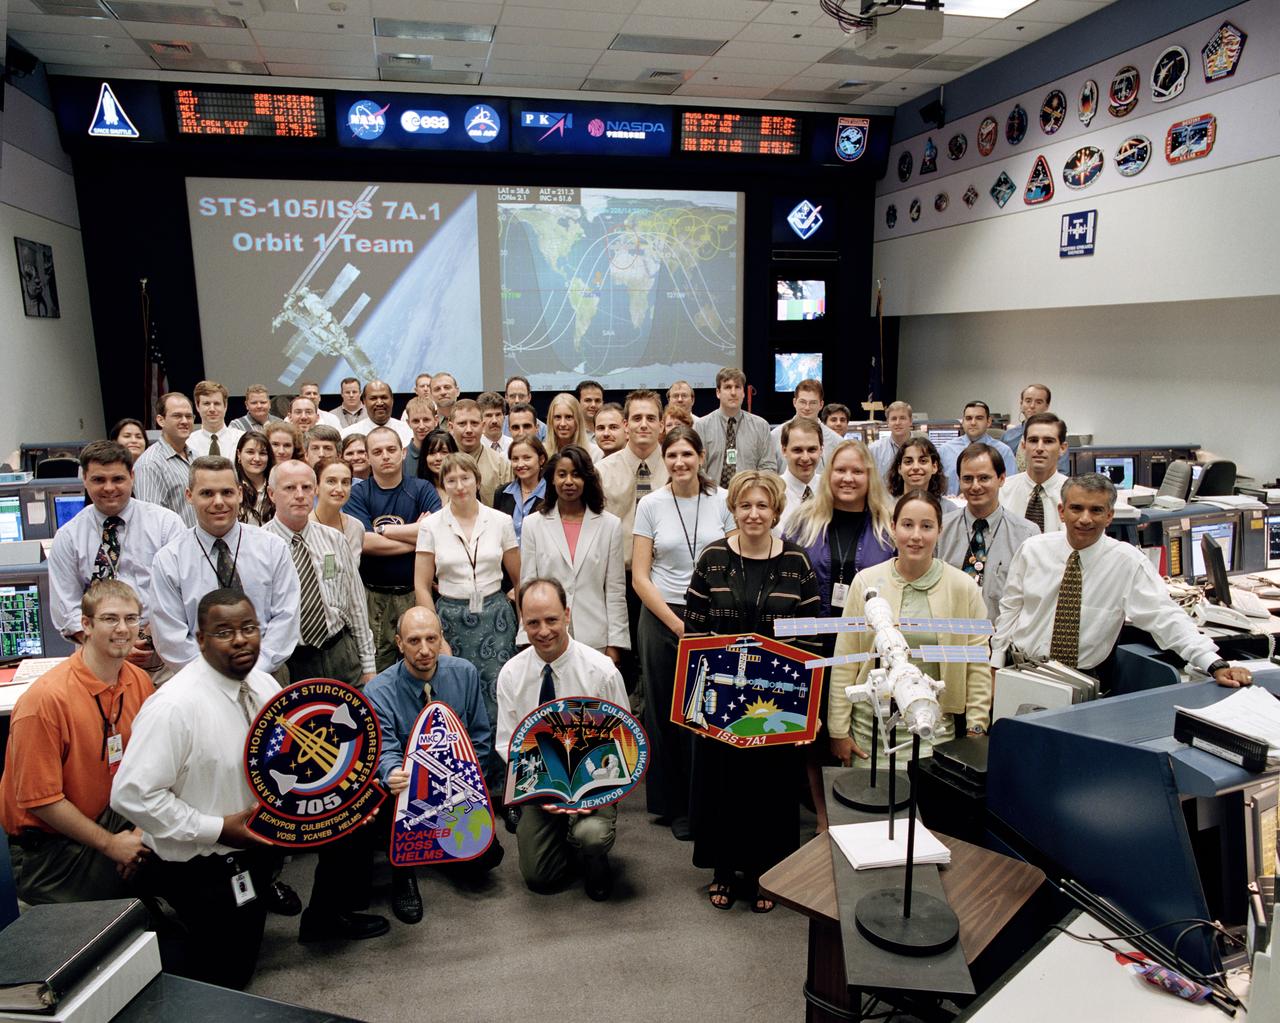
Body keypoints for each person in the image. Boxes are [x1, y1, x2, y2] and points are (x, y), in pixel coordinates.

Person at [112, 591, 388, 990]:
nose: (240, 640)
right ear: (200, 639)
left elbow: (290, 763)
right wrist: (216, 828)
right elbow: (130, 795)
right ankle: (161, 918)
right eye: (224, 632)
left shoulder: (262, 685)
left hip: (259, 837)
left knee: (357, 822)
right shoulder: (174, 707)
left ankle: (325, 918)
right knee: (226, 977)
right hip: (202, 860)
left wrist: (348, 802)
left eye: (248, 628)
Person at [683, 471, 821, 912]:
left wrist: (807, 708)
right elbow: (694, 632)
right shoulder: (713, 558)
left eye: (762, 506)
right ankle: (724, 870)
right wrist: (695, 703)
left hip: (777, 698)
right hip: (721, 696)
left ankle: (767, 874)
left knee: (770, 788)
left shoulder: (797, 563)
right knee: (723, 784)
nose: (753, 513)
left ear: (776, 511)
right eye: (745, 505)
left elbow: (811, 641)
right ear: (734, 509)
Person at [992, 474, 1253, 687]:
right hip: (1022, 669)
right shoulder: (1032, 549)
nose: (1085, 518)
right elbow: (1010, 610)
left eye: (1096, 510)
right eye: (1076, 508)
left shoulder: (1127, 562)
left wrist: (1213, 662)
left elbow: (1165, 616)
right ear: (1062, 511)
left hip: (1082, 679)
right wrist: (994, 663)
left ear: (1109, 515)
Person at [2, 580, 155, 904]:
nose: (123, 629)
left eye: (131, 619)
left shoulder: (138, 681)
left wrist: (140, 835)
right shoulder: (44, 701)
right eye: (110, 619)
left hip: (117, 821)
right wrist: (112, 845)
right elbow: (41, 802)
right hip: (52, 849)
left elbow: (155, 765)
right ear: (85, 625)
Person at [829, 489, 992, 760]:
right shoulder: (866, 582)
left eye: (926, 526)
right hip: (870, 730)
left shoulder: (963, 588)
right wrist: (838, 731)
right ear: (893, 528)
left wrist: (976, 729)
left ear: (940, 530)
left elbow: (977, 667)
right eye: (907, 525)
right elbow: (845, 661)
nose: (916, 536)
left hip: (935, 730)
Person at [365, 606, 503, 924]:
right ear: (399, 643)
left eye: (431, 639)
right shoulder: (378, 691)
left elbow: (480, 735)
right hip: (406, 792)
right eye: (414, 641)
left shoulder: (464, 673)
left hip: (455, 785)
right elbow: (384, 749)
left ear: (442, 638)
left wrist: (470, 781)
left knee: (488, 858)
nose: (425, 650)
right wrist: (391, 773)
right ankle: (403, 873)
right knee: (385, 788)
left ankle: (437, 847)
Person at [495, 579, 629, 900]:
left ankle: (593, 854)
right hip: (540, 783)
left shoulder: (601, 671)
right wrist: (544, 790)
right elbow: (507, 744)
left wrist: (587, 792)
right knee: (539, 879)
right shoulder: (512, 674)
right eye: (533, 622)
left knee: (592, 835)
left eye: (552, 620)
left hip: (594, 781)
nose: (543, 631)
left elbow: (625, 742)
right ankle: (566, 842)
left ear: (567, 614)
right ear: (522, 623)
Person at [630, 427, 734, 838]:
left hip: (710, 615)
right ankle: (671, 803)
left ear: (701, 455)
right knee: (663, 711)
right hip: (661, 615)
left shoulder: (723, 500)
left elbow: (731, 561)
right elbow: (640, 576)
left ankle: (702, 800)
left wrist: (700, 625)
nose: (679, 463)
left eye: (686, 454)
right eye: (671, 455)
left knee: (705, 711)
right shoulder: (650, 504)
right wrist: (677, 624)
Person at [149, 456, 300, 676]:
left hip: (268, 674)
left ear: (239, 493)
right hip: (198, 680)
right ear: (189, 496)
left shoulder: (272, 548)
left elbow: (286, 618)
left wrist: (255, 671)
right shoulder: (169, 559)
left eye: (227, 492)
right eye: (207, 493)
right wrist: (216, 677)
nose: (218, 502)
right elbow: (171, 637)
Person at [49, 441, 185, 662]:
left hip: (161, 654)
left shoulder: (165, 525)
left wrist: (148, 636)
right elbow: (67, 610)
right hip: (95, 654)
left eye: (118, 479)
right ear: (84, 479)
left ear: (132, 476)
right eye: (99, 480)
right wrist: (108, 645)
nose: (109, 488)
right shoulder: (68, 537)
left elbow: (183, 594)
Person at [415, 452, 520, 733]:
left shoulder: (500, 521)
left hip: (496, 619)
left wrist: (523, 629)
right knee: (454, 696)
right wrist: (435, 636)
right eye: (451, 480)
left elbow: (520, 580)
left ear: (477, 480)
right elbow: (422, 586)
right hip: (450, 619)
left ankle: (499, 772)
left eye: (465, 478)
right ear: (443, 484)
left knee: (500, 695)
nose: (459, 486)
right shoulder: (430, 525)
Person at [266, 460, 375, 687]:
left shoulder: (334, 539)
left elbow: (356, 604)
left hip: (340, 652)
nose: (299, 495)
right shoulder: (258, 545)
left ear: (315, 490)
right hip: (289, 660)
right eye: (289, 488)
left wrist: (368, 665)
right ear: (272, 493)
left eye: (306, 487)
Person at [344, 425, 442, 672]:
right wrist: (417, 540)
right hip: (373, 597)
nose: (385, 456)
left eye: (391, 449)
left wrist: (384, 531)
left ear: (404, 452)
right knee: (377, 668)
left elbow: (435, 533)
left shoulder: (422, 489)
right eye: (377, 451)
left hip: (415, 594)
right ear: (367, 457)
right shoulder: (357, 494)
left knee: (423, 663)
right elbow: (364, 542)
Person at [521, 444, 628, 659]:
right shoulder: (533, 524)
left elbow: (615, 591)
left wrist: (615, 644)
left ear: (587, 479)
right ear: (552, 479)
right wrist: (526, 637)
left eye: (576, 475)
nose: (568, 481)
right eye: (562, 474)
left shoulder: (610, 525)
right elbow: (528, 584)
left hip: (595, 637)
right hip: (546, 637)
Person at [785, 440, 895, 624]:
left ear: (870, 477)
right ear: (829, 474)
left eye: (857, 471)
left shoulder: (888, 527)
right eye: (841, 470)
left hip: (868, 639)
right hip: (812, 637)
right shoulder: (803, 523)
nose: (848, 478)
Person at [937, 443, 1039, 621]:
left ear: (1001, 479)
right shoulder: (940, 530)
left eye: (984, 478)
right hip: (948, 638)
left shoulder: (1027, 535)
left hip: (1001, 639)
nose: (975, 486)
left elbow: (1032, 601)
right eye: (967, 479)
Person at [597, 390, 668, 569]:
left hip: (666, 574)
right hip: (617, 573)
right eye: (637, 418)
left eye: (651, 419)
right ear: (626, 425)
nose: (644, 425)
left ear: (662, 425)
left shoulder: (676, 469)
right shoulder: (601, 472)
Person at [695, 367, 777, 488]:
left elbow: (768, 467)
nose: (733, 392)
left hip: (749, 497)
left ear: (743, 392)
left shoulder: (761, 426)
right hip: (712, 496)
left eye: (737, 387)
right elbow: (698, 467)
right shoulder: (702, 426)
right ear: (718, 392)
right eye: (728, 387)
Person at [132, 392, 196, 526]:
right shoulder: (149, 464)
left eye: (188, 416)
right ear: (161, 420)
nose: (184, 421)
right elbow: (151, 519)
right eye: (177, 416)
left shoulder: (197, 457)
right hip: (174, 545)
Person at [1001, 412, 1069, 532]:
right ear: (1023, 446)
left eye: (1048, 441)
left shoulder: (1073, 494)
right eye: (1033, 440)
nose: (1039, 448)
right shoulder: (1002, 491)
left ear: (1062, 448)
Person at [938, 401, 1017, 496]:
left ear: (988, 422)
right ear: (963, 422)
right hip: (951, 507)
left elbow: (1010, 489)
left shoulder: (1003, 452)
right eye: (968, 418)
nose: (973, 423)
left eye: (979, 418)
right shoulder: (945, 450)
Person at [769, 379, 843, 471]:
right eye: (803, 402)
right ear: (794, 402)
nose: (807, 408)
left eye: (813, 403)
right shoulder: (775, 436)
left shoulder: (837, 442)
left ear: (821, 404)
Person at [449, 398, 512, 506]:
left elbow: (508, 506)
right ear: (451, 427)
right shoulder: (441, 463)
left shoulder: (501, 463)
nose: (469, 430)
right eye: (462, 424)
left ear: (482, 426)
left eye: (474, 423)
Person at [1002, 383, 1067, 474]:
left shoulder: (1055, 436)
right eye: (1028, 401)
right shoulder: (1008, 436)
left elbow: (1062, 473)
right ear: (1021, 404)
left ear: (1047, 406)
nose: (1032, 406)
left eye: (1038, 402)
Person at [311, 456, 364, 566]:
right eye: (331, 481)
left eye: (345, 482)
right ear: (316, 486)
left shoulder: (356, 528)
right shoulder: (302, 527)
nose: (339, 489)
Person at [494, 436, 547, 541]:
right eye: (515, 459)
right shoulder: (502, 493)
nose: (520, 464)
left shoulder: (552, 493)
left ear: (541, 460)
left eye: (527, 458)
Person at [777, 417, 824, 534]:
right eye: (797, 450)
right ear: (784, 450)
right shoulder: (772, 493)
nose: (805, 458)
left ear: (821, 450)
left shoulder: (833, 490)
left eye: (812, 450)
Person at [340, 380, 413, 447]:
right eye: (373, 398)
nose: (379, 403)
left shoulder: (409, 431)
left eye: (384, 397)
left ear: (392, 400)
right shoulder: (349, 434)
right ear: (364, 402)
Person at [188, 380, 245, 459]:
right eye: (206, 403)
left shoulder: (242, 439)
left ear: (225, 406)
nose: (212, 409)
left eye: (217, 403)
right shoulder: (189, 443)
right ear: (197, 406)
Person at [546, 392, 602, 461]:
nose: (563, 424)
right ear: (551, 420)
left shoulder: (595, 454)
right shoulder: (542, 452)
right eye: (557, 417)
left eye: (568, 417)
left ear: (578, 420)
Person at [234, 430, 274, 526]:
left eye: (262, 453)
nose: (257, 458)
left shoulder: (277, 485)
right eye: (250, 452)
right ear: (239, 454)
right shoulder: (231, 487)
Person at [868, 400, 914, 478]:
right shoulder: (874, 449)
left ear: (910, 421)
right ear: (888, 423)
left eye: (902, 418)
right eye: (893, 419)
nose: (897, 423)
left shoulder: (924, 448)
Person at [402, 395, 439, 478]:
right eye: (416, 421)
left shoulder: (447, 454)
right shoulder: (402, 458)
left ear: (436, 420)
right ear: (408, 423)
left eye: (426, 420)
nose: (421, 426)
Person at [477, 391, 511, 456]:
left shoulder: (513, 445)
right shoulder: (474, 447)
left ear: (504, 417)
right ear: (480, 418)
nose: (494, 421)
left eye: (498, 415)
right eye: (489, 415)